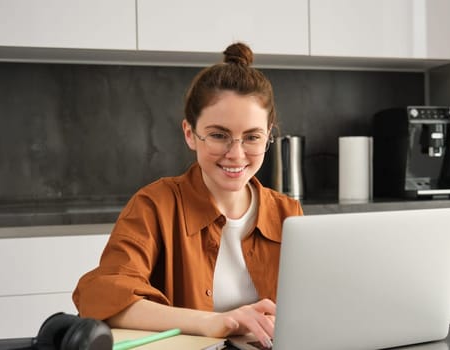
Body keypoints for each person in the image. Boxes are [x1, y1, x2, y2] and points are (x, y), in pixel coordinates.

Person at [73, 42, 302, 349]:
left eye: (252, 137)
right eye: (219, 135)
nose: (236, 154)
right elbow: (100, 296)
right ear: (190, 134)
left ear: (268, 134)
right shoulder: (155, 205)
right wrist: (215, 322)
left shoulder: (288, 213)